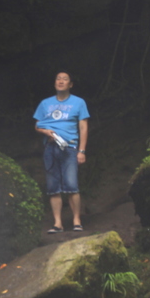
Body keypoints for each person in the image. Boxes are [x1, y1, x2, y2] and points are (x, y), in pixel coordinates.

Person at [33, 71, 89, 233]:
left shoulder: (79, 102)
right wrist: (46, 132)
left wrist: (82, 150)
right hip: (50, 148)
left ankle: (76, 220)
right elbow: (37, 125)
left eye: (65, 79)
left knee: (72, 185)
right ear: (55, 83)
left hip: (70, 147)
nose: (61, 81)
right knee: (53, 186)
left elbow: (83, 127)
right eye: (58, 78)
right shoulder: (45, 103)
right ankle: (57, 223)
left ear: (70, 84)